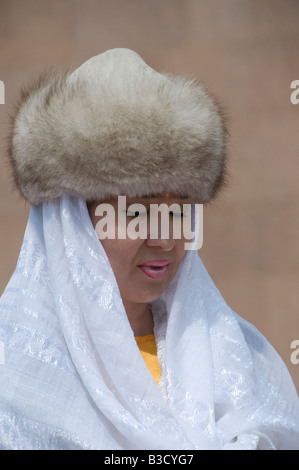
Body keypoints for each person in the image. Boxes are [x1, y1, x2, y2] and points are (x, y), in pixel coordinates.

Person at [0, 48, 298, 450]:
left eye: (178, 212)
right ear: (71, 223)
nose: (165, 239)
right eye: (136, 212)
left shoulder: (247, 358)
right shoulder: (13, 372)